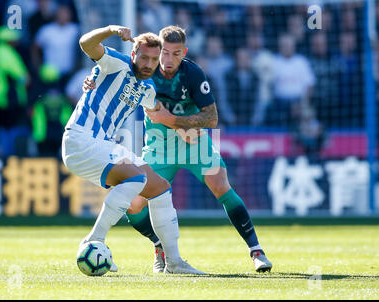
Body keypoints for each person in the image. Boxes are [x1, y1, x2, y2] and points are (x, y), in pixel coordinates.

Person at [84, 26, 273, 273]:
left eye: (176, 53)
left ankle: (256, 251)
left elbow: (212, 118)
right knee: (133, 205)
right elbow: (111, 73)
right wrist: (94, 79)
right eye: (164, 52)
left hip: (194, 143)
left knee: (220, 184)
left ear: (184, 52)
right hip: (158, 146)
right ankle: (158, 244)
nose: (168, 59)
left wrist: (174, 121)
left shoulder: (193, 73)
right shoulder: (144, 69)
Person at [62, 25, 205, 275]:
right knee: (136, 178)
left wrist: (183, 128)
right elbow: (86, 44)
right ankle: (94, 240)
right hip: (81, 138)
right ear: (133, 54)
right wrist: (110, 30)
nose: (149, 63)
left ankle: (174, 262)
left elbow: (157, 111)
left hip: (102, 146)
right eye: (144, 57)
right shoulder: (115, 63)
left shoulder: (148, 88)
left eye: (154, 59)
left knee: (159, 187)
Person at [0, 26, 31, 157]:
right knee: (13, 127)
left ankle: (5, 153)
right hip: (10, 96)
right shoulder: (6, 53)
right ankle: (11, 155)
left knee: (2, 126)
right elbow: (22, 77)